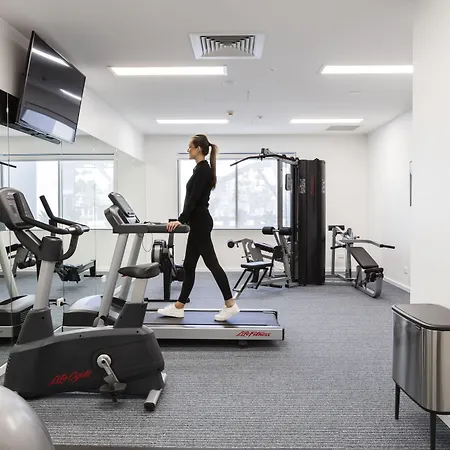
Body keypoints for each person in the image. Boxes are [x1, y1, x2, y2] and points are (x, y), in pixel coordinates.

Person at [157, 134, 240, 322]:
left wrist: (180, 219)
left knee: (212, 264)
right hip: (197, 222)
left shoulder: (203, 170)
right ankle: (179, 306)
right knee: (189, 265)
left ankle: (230, 304)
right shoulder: (200, 169)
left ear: (199, 149)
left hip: (200, 222)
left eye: (190, 146)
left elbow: (193, 199)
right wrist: (185, 220)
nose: (188, 150)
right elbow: (192, 199)